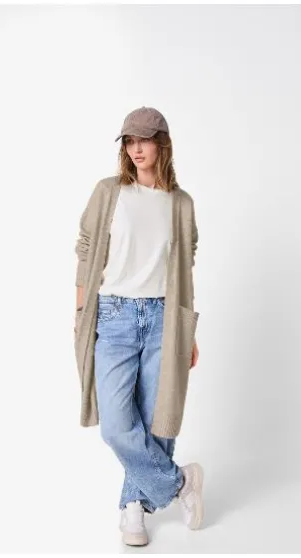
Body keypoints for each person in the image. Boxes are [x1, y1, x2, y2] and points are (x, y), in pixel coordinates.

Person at [73, 106, 204, 546]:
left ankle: (133, 508)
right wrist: (80, 313)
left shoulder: (181, 204)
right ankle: (180, 483)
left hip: (165, 318)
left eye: (144, 139)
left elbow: (185, 269)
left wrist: (189, 331)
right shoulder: (109, 192)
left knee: (156, 421)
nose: (136, 149)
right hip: (114, 315)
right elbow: (86, 250)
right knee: (115, 425)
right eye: (129, 141)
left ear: (162, 144)